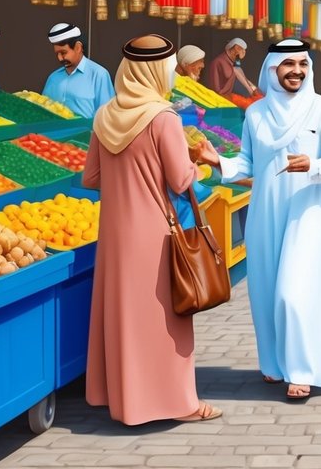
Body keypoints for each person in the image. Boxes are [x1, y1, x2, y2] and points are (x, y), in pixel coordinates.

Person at [199, 39, 321, 401]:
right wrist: (218, 161)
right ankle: (274, 364)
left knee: (293, 294)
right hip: (265, 213)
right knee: (266, 292)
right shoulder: (256, 114)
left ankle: (302, 370)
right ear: (273, 69)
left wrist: (311, 165)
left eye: (302, 63)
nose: (296, 70)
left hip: (307, 214)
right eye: (288, 64)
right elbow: (248, 164)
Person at [82, 34, 221, 424]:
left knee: (123, 316)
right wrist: (203, 162)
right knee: (166, 320)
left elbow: (90, 177)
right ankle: (182, 404)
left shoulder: (105, 115)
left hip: (113, 233)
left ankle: (119, 398)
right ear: (157, 70)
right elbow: (180, 180)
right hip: (155, 232)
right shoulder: (163, 117)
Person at [42, 23, 114, 118]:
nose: (60, 58)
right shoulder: (53, 78)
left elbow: (108, 117)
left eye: (63, 53)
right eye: (57, 54)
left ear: (78, 47)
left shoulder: (98, 75)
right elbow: (42, 112)